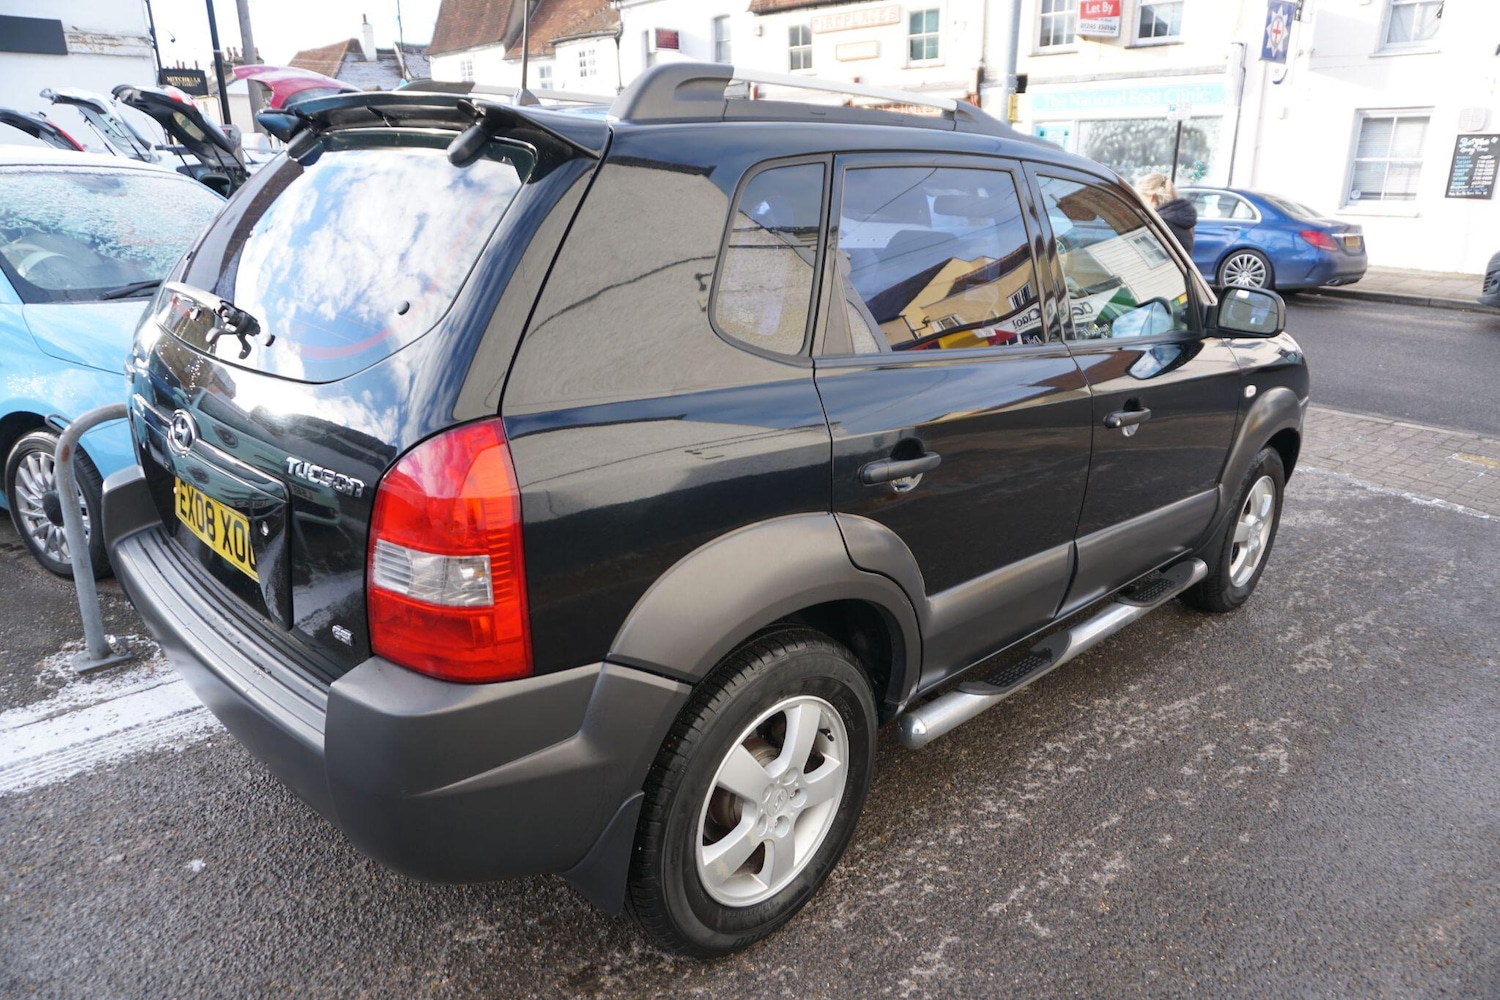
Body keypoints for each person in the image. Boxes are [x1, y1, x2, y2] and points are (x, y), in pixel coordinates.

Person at [1136, 173, 1197, 254]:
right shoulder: (1179, 219)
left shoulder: (1158, 225)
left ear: (1151, 198)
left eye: (1140, 198)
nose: (1138, 205)